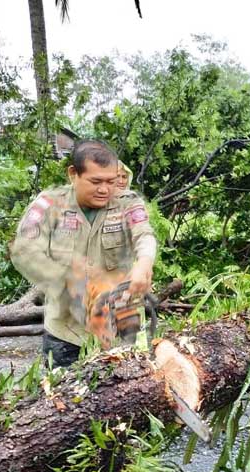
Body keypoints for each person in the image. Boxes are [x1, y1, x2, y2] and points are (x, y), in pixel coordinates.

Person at [11, 140, 156, 368]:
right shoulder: (49, 204)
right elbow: (24, 250)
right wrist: (73, 285)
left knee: (130, 392)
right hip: (66, 332)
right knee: (62, 398)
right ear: (73, 174)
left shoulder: (127, 203)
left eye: (110, 181)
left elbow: (144, 235)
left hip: (121, 328)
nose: (104, 189)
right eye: (95, 181)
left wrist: (145, 262)